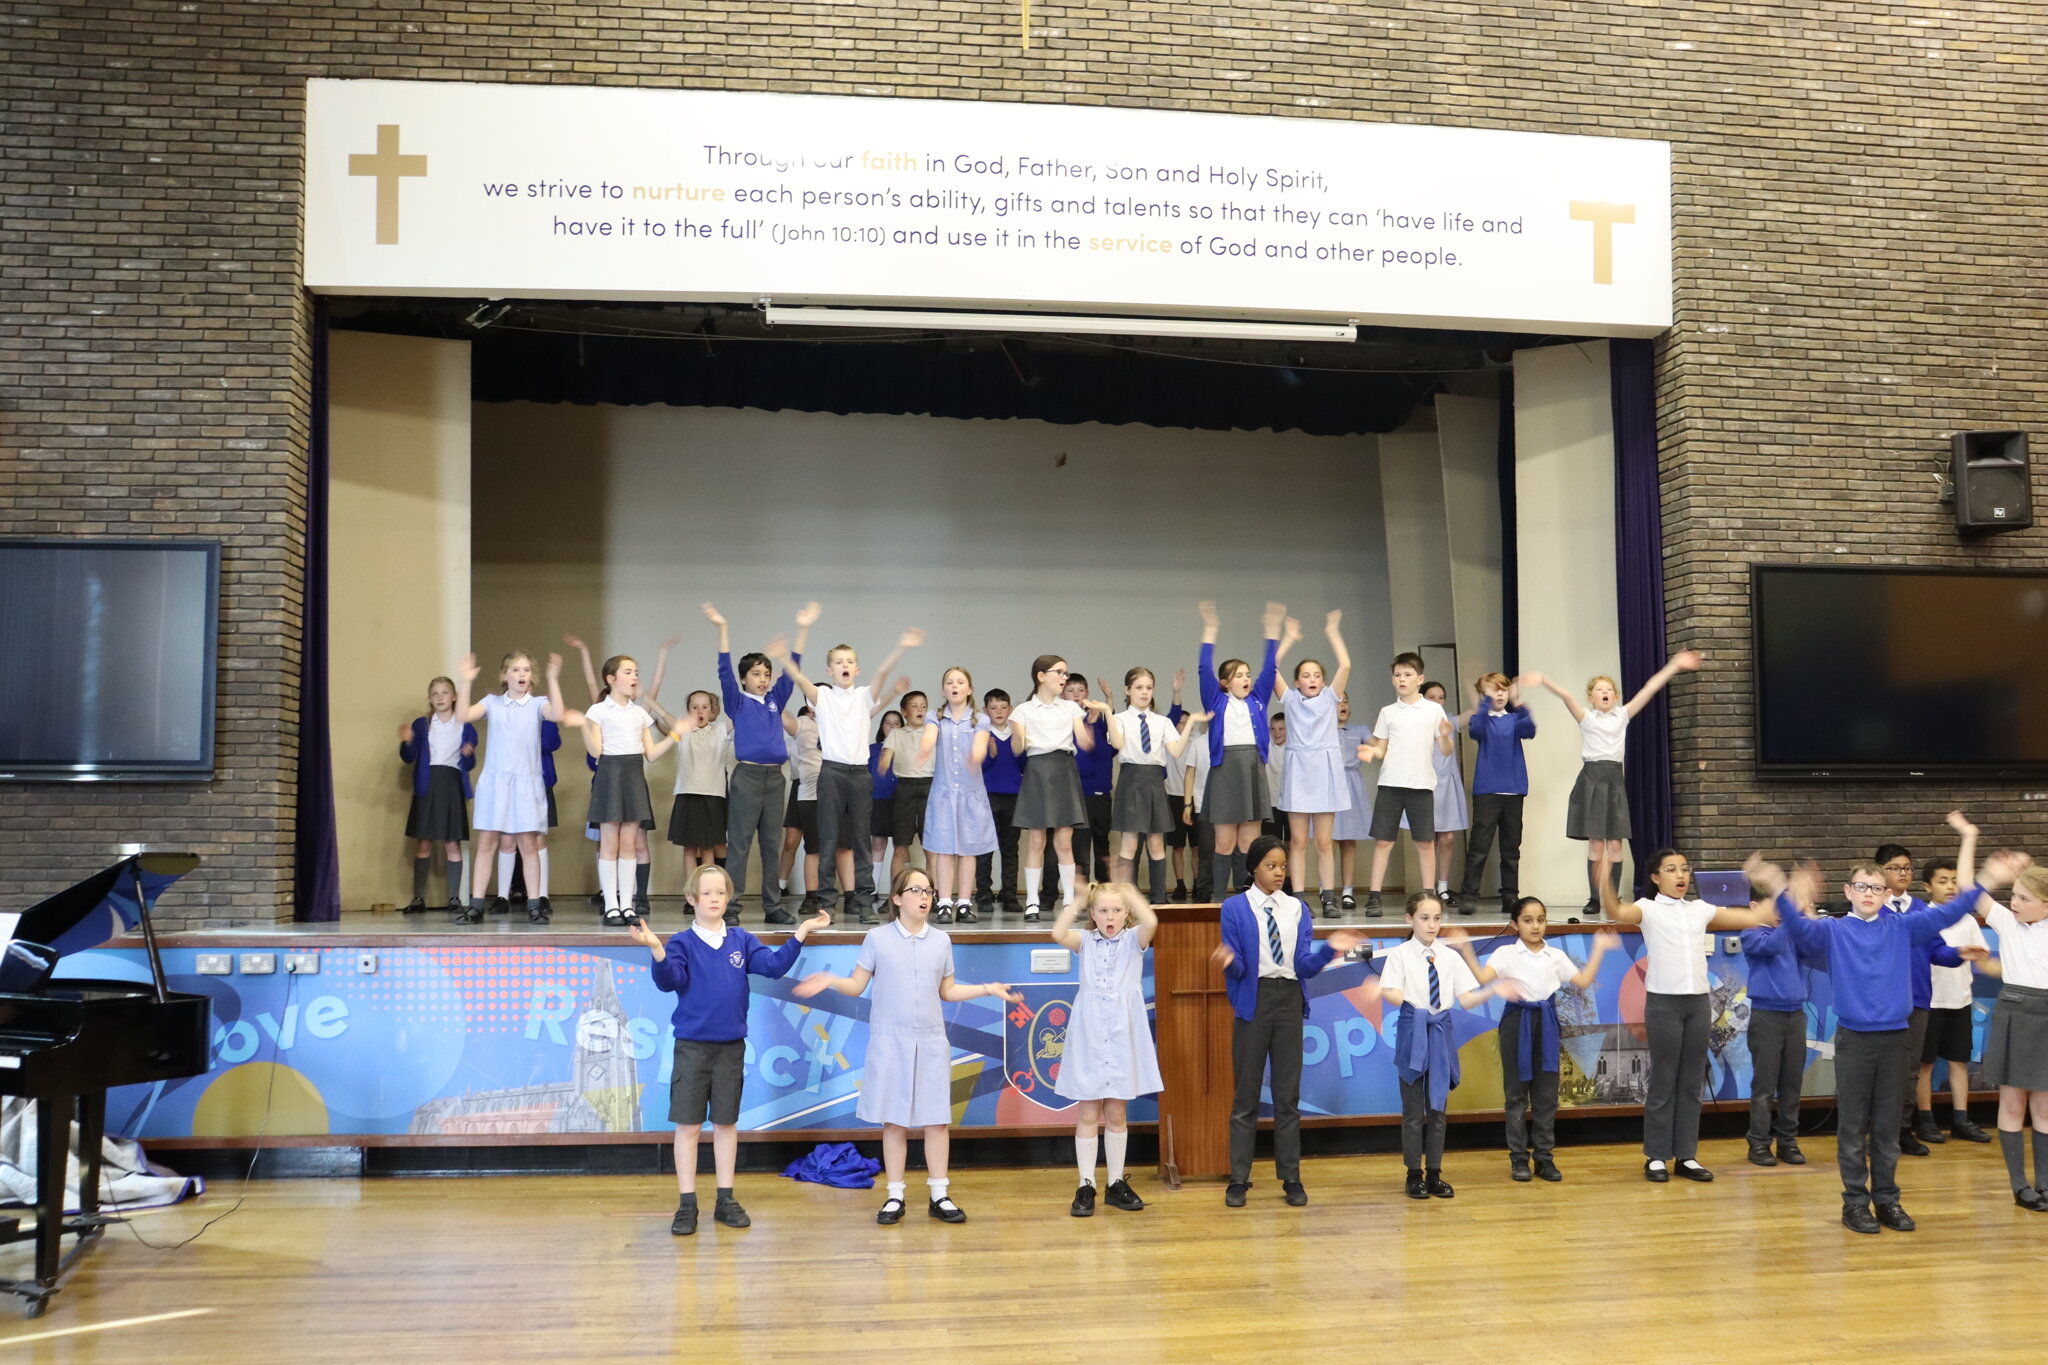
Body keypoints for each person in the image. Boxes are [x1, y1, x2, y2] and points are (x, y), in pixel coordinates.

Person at [1750, 817, 2011, 1232]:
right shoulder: (1833, 931)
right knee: (1853, 1126)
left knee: (1888, 1127)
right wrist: (1777, 883)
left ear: (1887, 894)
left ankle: (1887, 1199)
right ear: (1848, 892)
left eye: (1877, 887)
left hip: (1896, 1038)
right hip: (1854, 1040)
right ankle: (1855, 1202)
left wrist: (1989, 878)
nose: (1870, 894)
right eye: (1862, 887)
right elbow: (1797, 927)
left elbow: (1957, 908)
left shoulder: (1905, 926)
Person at [793, 867, 1023, 1225]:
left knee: (936, 1122)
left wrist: (986, 989)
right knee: (895, 1122)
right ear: (897, 898)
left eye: (929, 890)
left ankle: (939, 1194)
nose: (925, 897)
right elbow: (856, 985)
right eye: (916, 890)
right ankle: (895, 1195)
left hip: (931, 1041)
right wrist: (829, 980)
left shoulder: (940, 941)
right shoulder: (878, 938)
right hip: (890, 1042)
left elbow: (947, 991)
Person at [626, 866, 830, 1235]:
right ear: (692, 900)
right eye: (707, 893)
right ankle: (687, 1204)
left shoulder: (742, 940)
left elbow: (773, 967)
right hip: (692, 1048)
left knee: (726, 1124)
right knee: (688, 1126)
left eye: (721, 892)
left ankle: (725, 1198)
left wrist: (802, 932)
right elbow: (669, 981)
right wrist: (656, 949)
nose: (715, 899)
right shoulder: (681, 943)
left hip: (731, 1049)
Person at [1601, 846, 1777, 1183]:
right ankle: (1655, 1156)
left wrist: (1771, 885)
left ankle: (1686, 1155)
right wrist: (1604, 876)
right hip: (1664, 1004)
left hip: (1698, 1004)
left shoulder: (1700, 909)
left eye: (1684, 868)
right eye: (1671, 869)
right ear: (1655, 877)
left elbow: (1753, 917)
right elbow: (1615, 909)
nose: (1680, 875)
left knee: (1692, 1080)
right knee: (1664, 1079)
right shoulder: (1647, 909)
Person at [1211, 835, 1362, 1207]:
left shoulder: (1296, 908)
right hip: (1254, 1001)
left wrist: (1330, 948)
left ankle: (1291, 1178)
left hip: (1289, 1000)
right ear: (1254, 868)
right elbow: (1242, 968)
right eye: (1271, 866)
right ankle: (1239, 1179)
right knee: (1246, 1096)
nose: (1280, 872)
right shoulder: (1235, 907)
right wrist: (1230, 962)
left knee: (1287, 1097)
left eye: (1283, 866)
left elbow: (1304, 966)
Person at [1368, 894, 1522, 1198]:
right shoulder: (1399, 955)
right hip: (1413, 1031)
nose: (1431, 924)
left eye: (1437, 918)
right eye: (1424, 918)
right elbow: (1392, 993)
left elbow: (1465, 998)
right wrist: (1391, 996)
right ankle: (1414, 1174)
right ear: (1409, 919)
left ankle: (1435, 1173)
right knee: (1414, 1111)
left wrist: (1494, 989)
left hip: (1440, 1032)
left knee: (1437, 1108)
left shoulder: (1450, 956)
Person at [1523, 650, 1701, 912]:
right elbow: (1566, 696)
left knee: (1615, 844)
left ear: (1615, 696)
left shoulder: (1622, 715)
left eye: (1609, 689)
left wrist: (1674, 665)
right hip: (1592, 780)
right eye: (1598, 689)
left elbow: (1650, 688)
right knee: (1596, 843)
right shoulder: (1586, 717)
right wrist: (1544, 680)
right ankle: (1595, 898)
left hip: (1614, 780)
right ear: (1591, 697)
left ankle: (1612, 898)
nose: (1604, 692)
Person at [1456, 897, 1618, 1182]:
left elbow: (1581, 982)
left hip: (1546, 1021)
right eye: (1528, 920)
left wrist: (1599, 950)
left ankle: (1544, 1158)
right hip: (1517, 1021)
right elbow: (1483, 977)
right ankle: (1519, 1159)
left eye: (1540, 919)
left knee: (1546, 1094)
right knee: (1516, 1094)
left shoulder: (1554, 956)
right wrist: (1466, 950)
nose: (1535, 926)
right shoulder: (1506, 954)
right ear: (1515, 924)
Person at [779, 618, 923, 925]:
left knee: (861, 839)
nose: (845, 665)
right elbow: (801, 679)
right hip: (831, 773)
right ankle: (827, 903)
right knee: (828, 839)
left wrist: (902, 647)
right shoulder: (823, 696)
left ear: (857, 669)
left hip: (859, 774)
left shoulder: (863, 695)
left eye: (850, 662)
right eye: (838, 662)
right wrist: (782, 658)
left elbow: (883, 673)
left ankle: (863, 902)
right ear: (829, 671)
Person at [1049, 882, 1163, 1215]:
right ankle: (1086, 1184)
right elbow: (1058, 932)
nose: (1109, 916)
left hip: (1122, 1033)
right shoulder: (1084, 942)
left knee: (1116, 1112)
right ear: (1093, 915)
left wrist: (1131, 893)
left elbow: (1152, 922)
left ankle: (1115, 1183)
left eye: (1116, 910)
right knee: (1088, 1112)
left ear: (1126, 913)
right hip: (1089, 1034)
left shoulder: (1133, 941)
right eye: (1102, 910)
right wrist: (1079, 901)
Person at [703, 601, 816, 925]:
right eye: (756, 674)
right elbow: (723, 668)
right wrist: (722, 627)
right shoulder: (737, 702)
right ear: (743, 679)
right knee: (738, 845)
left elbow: (793, 668)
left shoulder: (774, 701)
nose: (763, 679)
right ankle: (732, 907)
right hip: (748, 777)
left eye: (767, 674)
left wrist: (803, 628)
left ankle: (773, 906)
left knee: (771, 845)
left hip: (774, 779)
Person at [454, 650, 581, 925]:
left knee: (527, 843)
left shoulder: (537, 704)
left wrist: (553, 677)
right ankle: (476, 905)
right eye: (515, 670)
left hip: (526, 782)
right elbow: (463, 714)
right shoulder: (492, 703)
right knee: (487, 841)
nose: (521, 674)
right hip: (497, 781)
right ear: (504, 675)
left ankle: (535, 904)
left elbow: (558, 714)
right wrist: (465, 682)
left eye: (525, 670)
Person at [1873, 841, 1969, 1156]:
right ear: (1880, 872)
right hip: (1883, 1004)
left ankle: (1903, 1131)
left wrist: (1958, 954)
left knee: (1911, 1069)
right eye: (1895, 868)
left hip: (1917, 1001)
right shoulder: (1870, 907)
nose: (1903, 873)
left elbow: (1937, 949)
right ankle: (1877, 1135)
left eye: (1907, 868)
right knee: (1880, 1070)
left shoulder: (1918, 909)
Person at [584, 653, 689, 926]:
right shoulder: (598, 711)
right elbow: (595, 751)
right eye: (628, 672)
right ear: (611, 679)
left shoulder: (639, 713)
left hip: (633, 776)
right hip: (609, 775)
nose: (634, 677)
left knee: (630, 843)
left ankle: (628, 905)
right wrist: (582, 725)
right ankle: (610, 906)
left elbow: (651, 754)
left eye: (636, 672)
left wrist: (676, 734)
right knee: (609, 844)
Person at [1738, 872, 1829, 1167]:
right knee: (1764, 1086)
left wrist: (1808, 914)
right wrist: (1795, 915)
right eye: (1778, 906)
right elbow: (1771, 946)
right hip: (1767, 1017)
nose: (1782, 913)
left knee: (1791, 1084)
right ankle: (1759, 1143)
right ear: (1755, 907)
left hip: (1795, 1016)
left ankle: (1787, 1141)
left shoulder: (1790, 934)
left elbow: (1817, 951)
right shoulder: (1752, 932)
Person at [1197, 600, 1285, 899]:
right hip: (1225, 770)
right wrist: (1210, 629)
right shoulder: (1217, 701)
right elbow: (1202, 668)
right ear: (1225, 683)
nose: (1246, 679)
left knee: (1249, 842)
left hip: (1251, 769)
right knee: (1224, 842)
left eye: (1247, 674)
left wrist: (1271, 632)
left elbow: (1270, 669)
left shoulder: (1258, 700)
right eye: (1239, 675)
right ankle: (1218, 898)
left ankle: (1248, 896)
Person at [1010, 654, 1106, 921]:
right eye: (1059, 673)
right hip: (1038, 770)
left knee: (1064, 842)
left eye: (1066, 673)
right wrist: (1018, 734)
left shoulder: (1071, 709)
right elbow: (1017, 749)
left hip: (1064, 769)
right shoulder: (1023, 710)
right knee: (1037, 841)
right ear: (1041, 676)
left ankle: (1068, 902)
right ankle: (1031, 901)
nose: (1064, 678)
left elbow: (1085, 743)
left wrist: (1093, 719)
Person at [1356, 651, 1452, 916]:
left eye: (1407, 674)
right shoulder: (1388, 712)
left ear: (1420, 678)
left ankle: (1429, 895)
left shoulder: (1434, 710)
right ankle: (1374, 897)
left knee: (1424, 843)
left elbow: (1445, 749)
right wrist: (1370, 752)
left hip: (1421, 785)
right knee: (1383, 842)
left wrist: (1445, 736)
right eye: (1397, 675)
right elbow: (1381, 748)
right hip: (1390, 783)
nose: (1402, 679)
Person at [1979, 858, 2048, 1210]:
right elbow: (1971, 894)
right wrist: (1993, 872)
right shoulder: (2008, 924)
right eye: (2014, 895)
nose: (2014, 903)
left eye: (2024, 897)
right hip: (2015, 1012)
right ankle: (2020, 1186)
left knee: (2044, 1105)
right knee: (2012, 1101)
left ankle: (2045, 1184)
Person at [1275, 611, 1353, 920]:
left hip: (1325, 768)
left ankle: (1328, 897)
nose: (1312, 680)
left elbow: (1345, 665)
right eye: (1306, 676)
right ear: (1297, 682)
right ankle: (1298, 898)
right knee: (1298, 840)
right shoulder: (1290, 700)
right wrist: (1289, 638)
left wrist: (1333, 631)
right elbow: (1270, 667)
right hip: (1298, 769)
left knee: (1323, 841)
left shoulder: (1331, 698)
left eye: (1317, 676)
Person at [1104, 666, 1202, 903]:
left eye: (1149, 687)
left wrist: (1191, 723)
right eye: (1139, 688)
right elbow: (1116, 744)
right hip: (1131, 779)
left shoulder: (1162, 722)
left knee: (1156, 842)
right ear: (1128, 690)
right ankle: (1129, 899)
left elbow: (1177, 751)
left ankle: (1159, 898)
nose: (1144, 692)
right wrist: (1108, 710)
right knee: (1129, 842)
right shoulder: (1119, 719)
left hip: (1155, 781)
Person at [1917, 856, 1992, 1144]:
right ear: (1927, 886)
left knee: (1959, 1062)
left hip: (1960, 1001)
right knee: (1924, 1065)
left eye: (1953, 881)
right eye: (1942, 881)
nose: (1950, 887)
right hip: (1930, 1002)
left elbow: (1982, 957)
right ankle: (1925, 1120)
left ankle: (1961, 1119)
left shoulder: (1968, 919)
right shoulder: (1922, 920)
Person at [920, 667, 998, 925]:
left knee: (967, 851)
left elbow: (980, 744)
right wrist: (924, 748)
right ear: (944, 689)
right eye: (950, 682)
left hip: (970, 795)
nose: (954, 686)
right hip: (944, 794)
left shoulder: (980, 719)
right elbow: (929, 738)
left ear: (969, 689)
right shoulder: (935, 716)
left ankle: (964, 904)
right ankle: (943, 902)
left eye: (960, 681)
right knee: (944, 851)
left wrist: (976, 754)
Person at [1457, 672, 1535, 914]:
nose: (1499, 694)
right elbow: (1476, 730)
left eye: (1503, 689)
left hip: (1513, 791)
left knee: (1511, 849)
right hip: (1487, 791)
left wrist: (1519, 701)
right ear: (1483, 695)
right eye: (1493, 689)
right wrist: (1483, 704)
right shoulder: (1481, 719)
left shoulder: (1513, 719)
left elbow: (1529, 729)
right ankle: (1469, 895)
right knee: (1479, 846)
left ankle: (1510, 896)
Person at [397, 675, 475, 914]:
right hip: (427, 783)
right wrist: (406, 742)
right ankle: (418, 898)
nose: (440, 697)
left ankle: (454, 898)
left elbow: (469, 763)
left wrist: (469, 753)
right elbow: (409, 757)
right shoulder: (422, 724)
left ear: (453, 697)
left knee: (452, 842)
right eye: (435, 694)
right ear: (430, 699)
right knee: (424, 842)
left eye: (444, 693)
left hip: (450, 784)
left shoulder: (465, 725)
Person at [667, 689, 734, 894]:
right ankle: (691, 893)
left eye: (705, 707)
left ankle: (709, 891)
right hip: (688, 794)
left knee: (708, 847)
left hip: (713, 797)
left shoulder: (720, 730)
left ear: (712, 710)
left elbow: (739, 713)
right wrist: (649, 699)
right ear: (687, 711)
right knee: (689, 848)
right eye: (694, 707)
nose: (700, 711)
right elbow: (664, 716)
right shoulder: (684, 731)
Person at [1412, 679, 1469, 909]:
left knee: (1448, 838)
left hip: (1448, 785)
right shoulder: (1415, 722)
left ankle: (1443, 887)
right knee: (1428, 840)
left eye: (1441, 697)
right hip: (1425, 785)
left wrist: (1478, 690)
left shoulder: (1449, 721)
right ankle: (1429, 889)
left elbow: (1473, 713)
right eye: (1432, 696)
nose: (1437, 701)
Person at [973, 688, 1025, 916]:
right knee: (984, 848)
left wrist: (1020, 741)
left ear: (1010, 709)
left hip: (1014, 797)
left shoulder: (1017, 733)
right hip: (986, 797)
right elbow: (976, 767)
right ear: (986, 711)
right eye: (993, 708)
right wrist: (988, 753)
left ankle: (1009, 894)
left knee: (1010, 848)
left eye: (1003, 707)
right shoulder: (981, 735)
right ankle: (983, 893)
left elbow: (1024, 765)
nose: (999, 712)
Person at [879, 690, 934, 887]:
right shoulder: (896, 733)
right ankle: (896, 893)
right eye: (914, 706)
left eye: (924, 706)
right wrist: (884, 763)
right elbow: (886, 756)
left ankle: (933, 893)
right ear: (904, 711)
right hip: (905, 788)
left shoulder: (933, 731)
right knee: (901, 845)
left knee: (931, 847)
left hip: (930, 787)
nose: (920, 710)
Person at [1065, 672, 1115, 883]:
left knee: (1102, 842)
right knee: (1080, 846)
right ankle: (1082, 892)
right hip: (1078, 793)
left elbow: (1111, 748)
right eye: (1071, 691)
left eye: (1080, 690)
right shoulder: (1065, 721)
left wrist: (1108, 703)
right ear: (1062, 694)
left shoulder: (1100, 718)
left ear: (1087, 693)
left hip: (1102, 792)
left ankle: (1105, 888)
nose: (1076, 695)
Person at [779, 705, 823, 915]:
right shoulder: (792, 739)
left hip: (817, 787)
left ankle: (819, 891)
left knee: (817, 843)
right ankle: (781, 885)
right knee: (791, 841)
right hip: (799, 785)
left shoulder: (824, 733)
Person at [1332, 693, 1371, 911]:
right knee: (1326, 841)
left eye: (1346, 700)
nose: (1343, 705)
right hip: (1329, 784)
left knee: (1349, 841)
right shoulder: (1323, 730)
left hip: (1352, 786)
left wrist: (1373, 749)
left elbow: (1377, 744)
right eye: (1338, 701)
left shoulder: (1360, 730)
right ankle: (1325, 888)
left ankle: (1348, 891)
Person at [868, 709, 902, 884]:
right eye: (888, 722)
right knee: (878, 843)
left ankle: (899, 889)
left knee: (901, 846)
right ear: (882, 727)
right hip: (878, 800)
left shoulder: (906, 748)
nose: (892, 726)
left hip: (902, 800)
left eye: (897, 723)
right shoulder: (872, 750)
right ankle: (872, 889)